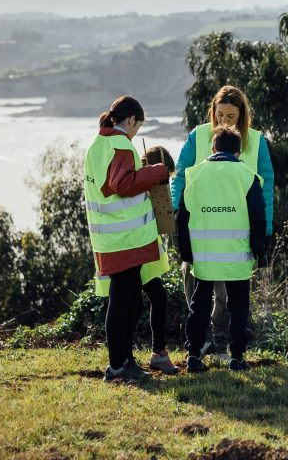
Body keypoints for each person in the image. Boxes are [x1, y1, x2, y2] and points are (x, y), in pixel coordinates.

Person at [171, 85, 274, 364]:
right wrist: (180, 226)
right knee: (204, 296)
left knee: (217, 299)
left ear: (242, 116)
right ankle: (208, 348)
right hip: (207, 237)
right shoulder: (198, 136)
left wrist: (263, 234)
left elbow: (265, 191)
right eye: (220, 115)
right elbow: (179, 179)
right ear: (213, 112)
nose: (225, 122)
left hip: (221, 239)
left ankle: (216, 346)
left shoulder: (256, 141)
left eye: (231, 116)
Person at [84, 95, 170, 382]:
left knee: (127, 302)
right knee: (123, 302)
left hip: (107, 236)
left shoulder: (96, 146)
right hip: (126, 238)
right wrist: (157, 172)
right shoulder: (121, 144)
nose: (136, 133)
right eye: (138, 126)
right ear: (131, 119)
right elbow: (122, 185)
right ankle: (119, 365)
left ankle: (124, 362)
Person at [91, 145, 178, 375]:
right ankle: (140, 356)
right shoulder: (137, 184)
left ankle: (134, 357)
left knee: (141, 302)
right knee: (146, 300)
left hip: (142, 247)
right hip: (136, 248)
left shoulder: (139, 181)